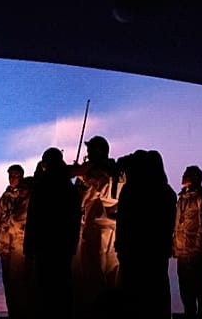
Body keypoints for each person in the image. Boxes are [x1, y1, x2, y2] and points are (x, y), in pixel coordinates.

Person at [115, 150, 175, 319]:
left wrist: (121, 245)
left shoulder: (131, 191)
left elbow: (125, 221)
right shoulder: (167, 192)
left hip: (133, 252)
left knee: (135, 294)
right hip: (158, 252)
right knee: (158, 292)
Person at [22, 147, 79, 319]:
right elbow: (74, 217)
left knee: (45, 288)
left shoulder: (43, 186)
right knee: (63, 286)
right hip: (64, 246)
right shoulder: (69, 188)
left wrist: (29, 246)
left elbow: (34, 218)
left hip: (44, 246)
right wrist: (72, 244)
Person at [72, 135, 123, 315]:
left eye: (90, 151)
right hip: (113, 231)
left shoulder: (96, 175)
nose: (87, 155)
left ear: (99, 151)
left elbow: (82, 199)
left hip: (97, 230)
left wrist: (81, 179)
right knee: (112, 275)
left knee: (94, 275)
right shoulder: (118, 171)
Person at [0, 163, 30, 319]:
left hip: (18, 242)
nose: (12, 179)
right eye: (10, 176)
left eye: (15, 176)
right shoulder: (5, 196)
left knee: (18, 281)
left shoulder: (26, 195)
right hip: (4, 243)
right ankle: (13, 312)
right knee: (8, 282)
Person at [172, 164, 202, 319]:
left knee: (199, 286)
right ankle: (189, 313)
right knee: (185, 287)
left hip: (194, 251)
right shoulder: (181, 198)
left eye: (187, 173)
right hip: (181, 249)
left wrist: (199, 245)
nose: (183, 175)